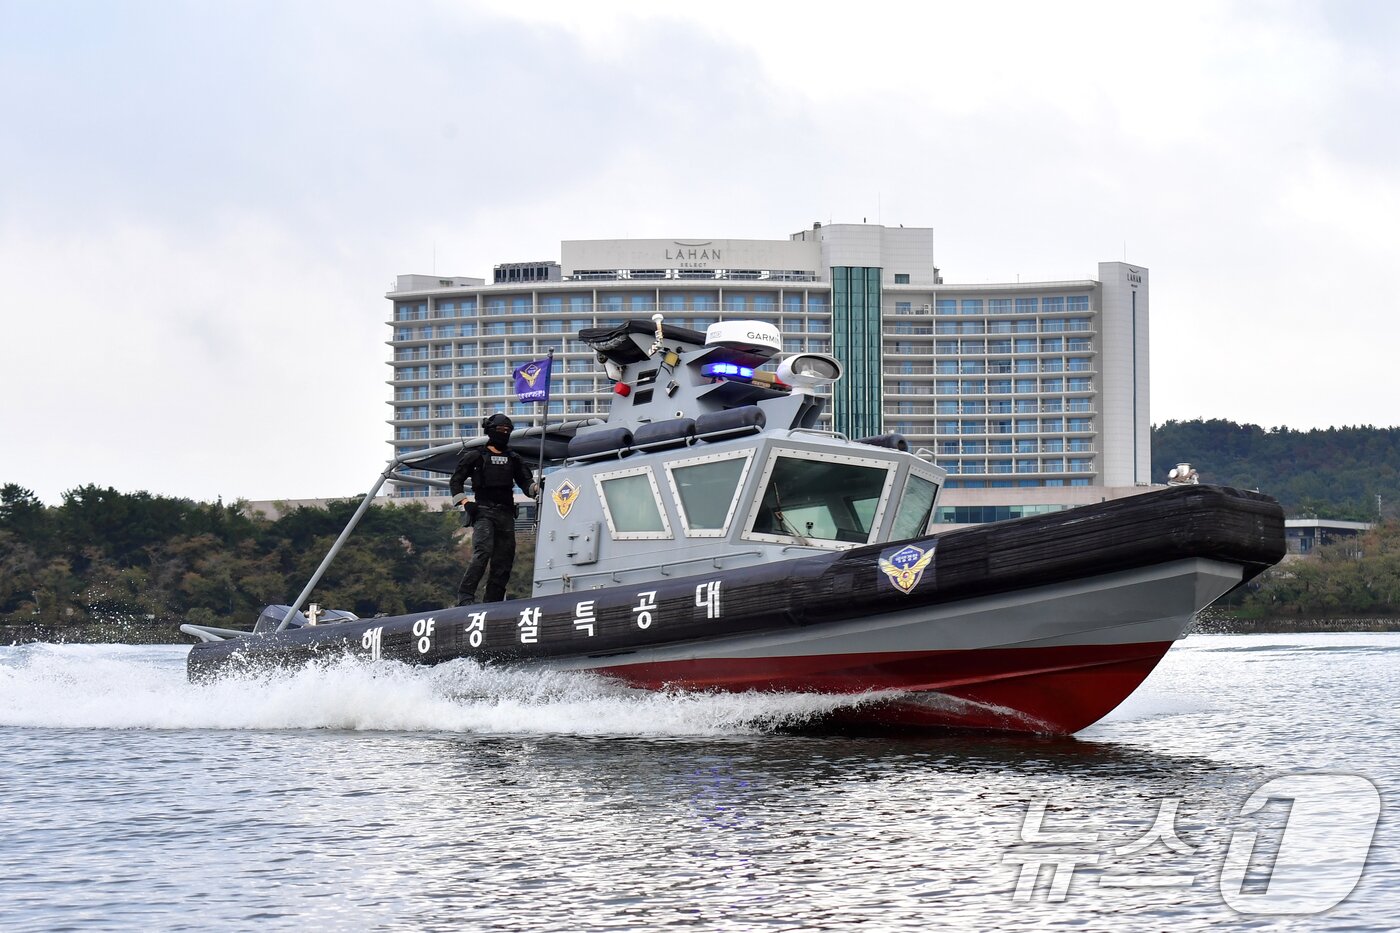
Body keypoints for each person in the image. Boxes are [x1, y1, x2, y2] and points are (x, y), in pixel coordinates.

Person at [450, 413, 538, 606]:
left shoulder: (514, 458)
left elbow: (526, 482)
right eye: (500, 430)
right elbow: (455, 481)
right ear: (490, 431)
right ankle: (465, 597)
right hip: (483, 511)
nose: (504, 433)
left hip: (506, 514)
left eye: (507, 431)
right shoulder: (475, 456)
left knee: (504, 560)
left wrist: (536, 488)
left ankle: (493, 602)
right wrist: (465, 502)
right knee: (483, 553)